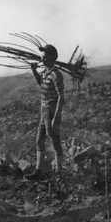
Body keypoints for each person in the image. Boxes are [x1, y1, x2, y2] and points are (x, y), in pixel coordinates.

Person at [25, 44, 65, 180]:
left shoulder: (55, 74)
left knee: (54, 139)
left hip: (52, 109)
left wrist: (56, 117)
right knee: (39, 140)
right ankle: (38, 171)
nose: (41, 57)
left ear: (49, 57)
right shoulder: (45, 72)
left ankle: (59, 173)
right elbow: (41, 84)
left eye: (44, 55)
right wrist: (34, 71)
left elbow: (61, 96)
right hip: (44, 109)